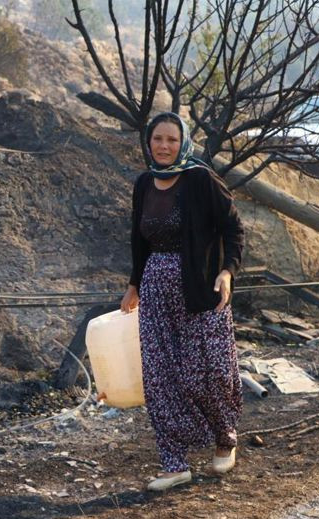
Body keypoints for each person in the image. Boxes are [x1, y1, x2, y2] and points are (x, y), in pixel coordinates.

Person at [120, 112, 245, 492]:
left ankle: (225, 436)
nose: (163, 146)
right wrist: (134, 284)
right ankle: (174, 462)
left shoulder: (201, 179)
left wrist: (227, 271)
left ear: (183, 142)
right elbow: (139, 239)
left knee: (205, 372)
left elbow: (233, 228)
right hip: (156, 288)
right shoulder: (144, 183)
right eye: (157, 139)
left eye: (171, 140)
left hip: (199, 288)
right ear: (148, 141)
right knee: (160, 377)